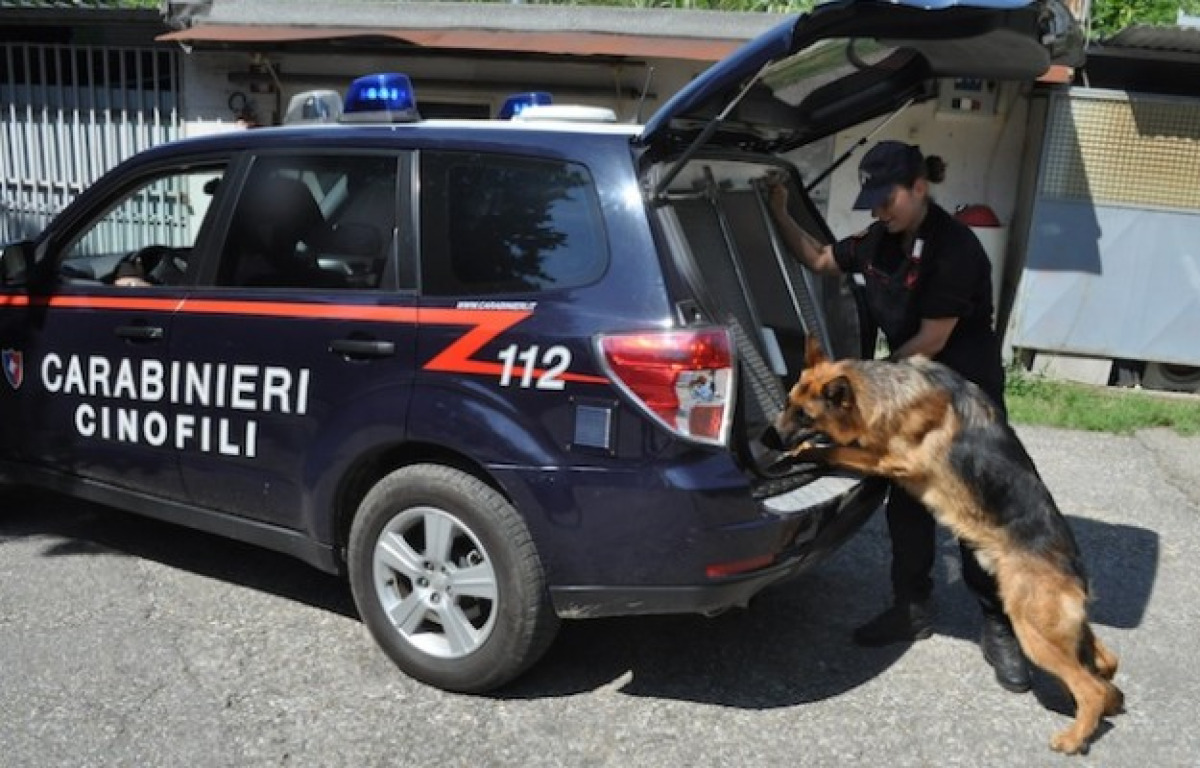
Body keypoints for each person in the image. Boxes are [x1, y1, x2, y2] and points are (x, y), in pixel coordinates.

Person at [766, 140, 1031, 694]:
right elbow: (818, 258)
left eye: (887, 198)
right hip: (907, 396)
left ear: (919, 187)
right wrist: (778, 210)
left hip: (963, 399)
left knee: (975, 512)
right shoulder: (877, 243)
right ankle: (910, 608)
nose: (878, 210)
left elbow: (931, 341)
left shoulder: (956, 251)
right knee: (907, 505)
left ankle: (999, 625)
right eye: (872, 200)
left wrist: (865, 387)